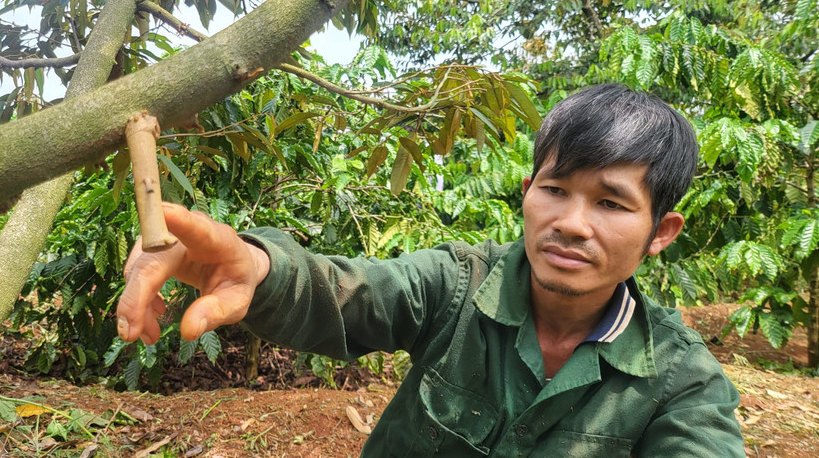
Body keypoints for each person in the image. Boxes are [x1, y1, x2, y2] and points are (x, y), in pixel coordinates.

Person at [117, 84, 746, 457]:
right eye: (555, 190)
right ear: (527, 193)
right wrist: (258, 266)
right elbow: (355, 294)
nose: (573, 223)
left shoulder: (682, 383)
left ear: (660, 232)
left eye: (610, 202)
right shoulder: (458, 285)